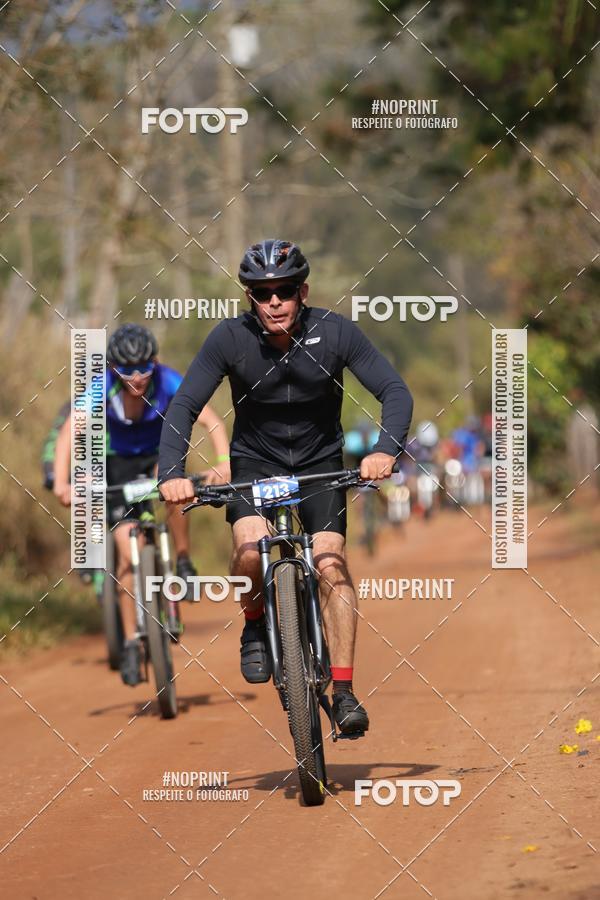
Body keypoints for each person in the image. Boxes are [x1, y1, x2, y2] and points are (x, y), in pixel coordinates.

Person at [158, 239, 413, 736]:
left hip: (320, 464)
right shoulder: (229, 339)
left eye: (285, 291)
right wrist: (171, 474)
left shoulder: (335, 332)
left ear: (303, 291)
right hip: (256, 465)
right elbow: (184, 406)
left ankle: (342, 691)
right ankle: (255, 620)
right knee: (250, 551)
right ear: (249, 298)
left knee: (332, 560)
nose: (274, 301)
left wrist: (385, 449)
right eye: (262, 292)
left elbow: (393, 390)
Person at [53, 323, 230, 686]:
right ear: (113, 368)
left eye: (144, 367)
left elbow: (211, 421)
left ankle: (181, 560)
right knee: (125, 550)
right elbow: (70, 431)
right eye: (127, 369)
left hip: (157, 456)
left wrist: (223, 461)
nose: (137, 376)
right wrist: (61, 481)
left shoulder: (167, 381)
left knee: (178, 495)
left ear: (155, 362)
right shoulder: (103, 387)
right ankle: (133, 641)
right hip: (117, 463)